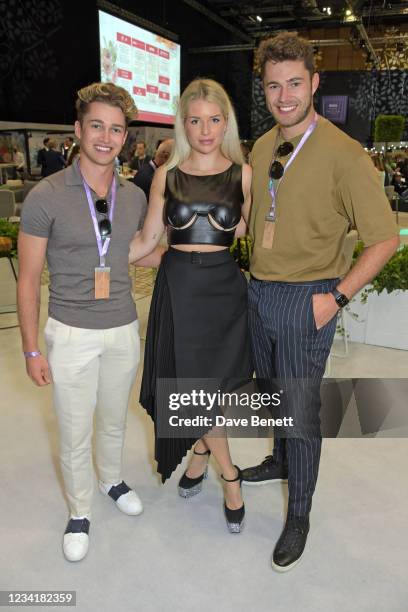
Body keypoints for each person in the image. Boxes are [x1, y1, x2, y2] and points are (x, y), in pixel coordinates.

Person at [243, 32, 399, 572]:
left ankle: (299, 514)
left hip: (309, 300)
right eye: (273, 86)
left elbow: (384, 239)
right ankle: (280, 459)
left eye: (294, 84)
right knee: (269, 393)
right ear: (263, 90)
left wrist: (334, 297)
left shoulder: (345, 154)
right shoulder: (264, 147)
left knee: (301, 411)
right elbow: (264, 216)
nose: (284, 96)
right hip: (259, 292)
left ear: (314, 83)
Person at [17, 82, 159, 563]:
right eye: (96, 126)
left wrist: (199, 253)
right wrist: (32, 348)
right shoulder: (46, 195)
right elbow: (29, 278)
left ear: (126, 138)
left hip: (122, 327)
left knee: (115, 418)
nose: (106, 137)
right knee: (75, 427)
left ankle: (112, 479)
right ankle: (80, 511)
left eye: (116, 129)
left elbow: (136, 255)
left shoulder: (135, 196)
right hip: (71, 331)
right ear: (77, 130)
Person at [129, 78, 253, 533]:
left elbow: (242, 231)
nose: (205, 130)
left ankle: (201, 453)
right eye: (196, 120)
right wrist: (94, 261)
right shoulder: (167, 174)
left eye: (214, 120)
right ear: (184, 124)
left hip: (224, 291)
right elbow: (146, 239)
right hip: (178, 290)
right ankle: (230, 475)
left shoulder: (244, 174)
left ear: (227, 123)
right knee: (193, 389)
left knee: (210, 390)